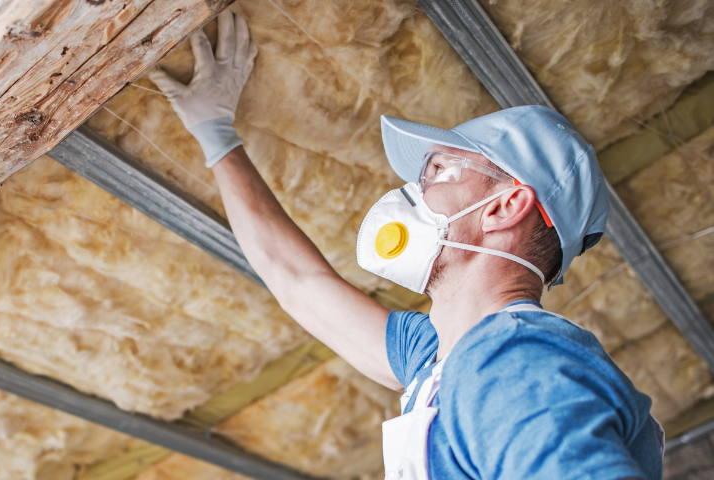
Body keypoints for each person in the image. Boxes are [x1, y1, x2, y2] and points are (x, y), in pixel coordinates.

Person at [150, 11, 665, 480]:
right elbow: (298, 281)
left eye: (440, 170)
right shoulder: (437, 360)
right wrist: (216, 135)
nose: (414, 190)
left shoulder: (514, 361)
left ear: (504, 208)